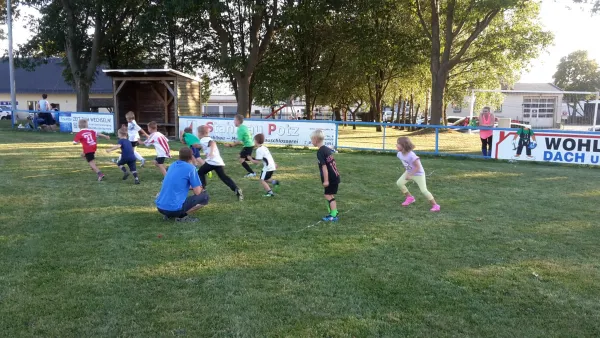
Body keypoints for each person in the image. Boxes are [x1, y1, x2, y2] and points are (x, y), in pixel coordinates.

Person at [155, 147, 210, 222]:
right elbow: (197, 192)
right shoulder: (191, 168)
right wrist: (200, 188)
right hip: (174, 210)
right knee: (205, 196)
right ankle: (181, 217)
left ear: (179, 156)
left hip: (160, 208)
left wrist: (190, 187)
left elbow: (178, 183)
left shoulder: (173, 165)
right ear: (191, 157)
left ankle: (168, 215)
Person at [197, 125, 244, 201]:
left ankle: (203, 189)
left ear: (200, 133)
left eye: (197, 133)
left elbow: (212, 143)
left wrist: (211, 153)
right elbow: (202, 146)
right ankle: (236, 189)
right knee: (224, 177)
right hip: (218, 162)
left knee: (200, 172)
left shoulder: (204, 139)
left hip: (212, 162)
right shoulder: (206, 139)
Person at [396, 137, 440, 212]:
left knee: (424, 190)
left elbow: (417, 167)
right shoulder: (399, 154)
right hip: (409, 172)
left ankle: (435, 205)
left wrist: (410, 174)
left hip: (418, 174)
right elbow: (406, 163)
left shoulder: (412, 155)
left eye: (398, 143)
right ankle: (410, 198)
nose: (396, 145)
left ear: (404, 145)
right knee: (399, 183)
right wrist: (407, 171)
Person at [311, 129, 340, 222]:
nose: (311, 141)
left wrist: (326, 180)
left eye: (312, 139)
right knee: (329, 195)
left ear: (315, 139)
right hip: (335, 176)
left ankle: (333, 215)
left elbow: (324, 167)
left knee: (327, 195)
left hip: (331, 178)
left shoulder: (320, 152)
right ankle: (334, 211)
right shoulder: (326, 149)